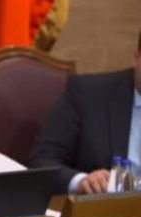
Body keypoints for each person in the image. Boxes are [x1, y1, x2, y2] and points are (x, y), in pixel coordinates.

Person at [28, 30, 141, 194]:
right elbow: (41, 161)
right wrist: (81, 181)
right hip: (106, 207)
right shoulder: (87, 94)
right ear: (136, 58)